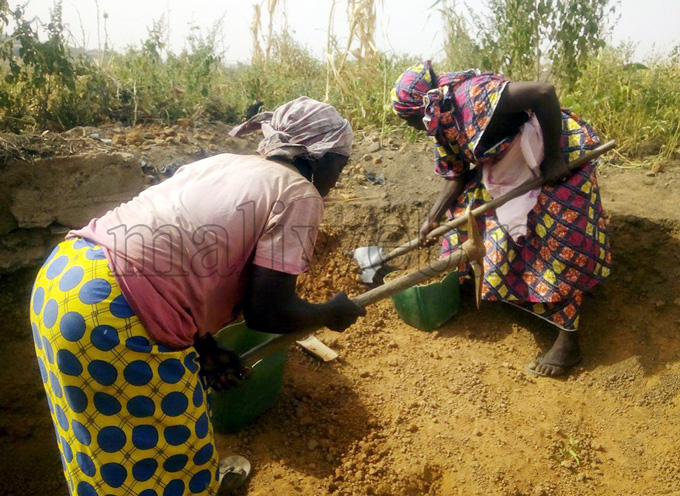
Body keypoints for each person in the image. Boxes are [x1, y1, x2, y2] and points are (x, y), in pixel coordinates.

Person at [29, 96, 366, 496]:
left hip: (64, 280)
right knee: (174, 459)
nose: (338, 179)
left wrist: (203, 344)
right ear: (319, 155)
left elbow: (175, 252)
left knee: (99, 449)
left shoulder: (219, 164)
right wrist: (331, 312)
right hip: (116, 317)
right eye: (339, 165)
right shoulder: (299, 193)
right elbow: (268, 312)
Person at [391, 61, 611, 377]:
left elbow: (543, 92)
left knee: (559, 236)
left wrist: (554, 159)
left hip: (553, 149)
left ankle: (568, 341)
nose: (409, 125)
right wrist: (433, 218)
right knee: (470, 216)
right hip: (508, 165)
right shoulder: (442, 123)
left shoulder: (472, 95)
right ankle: (500, 294)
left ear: (423, 106)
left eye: (408, 118)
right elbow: (456, 174)